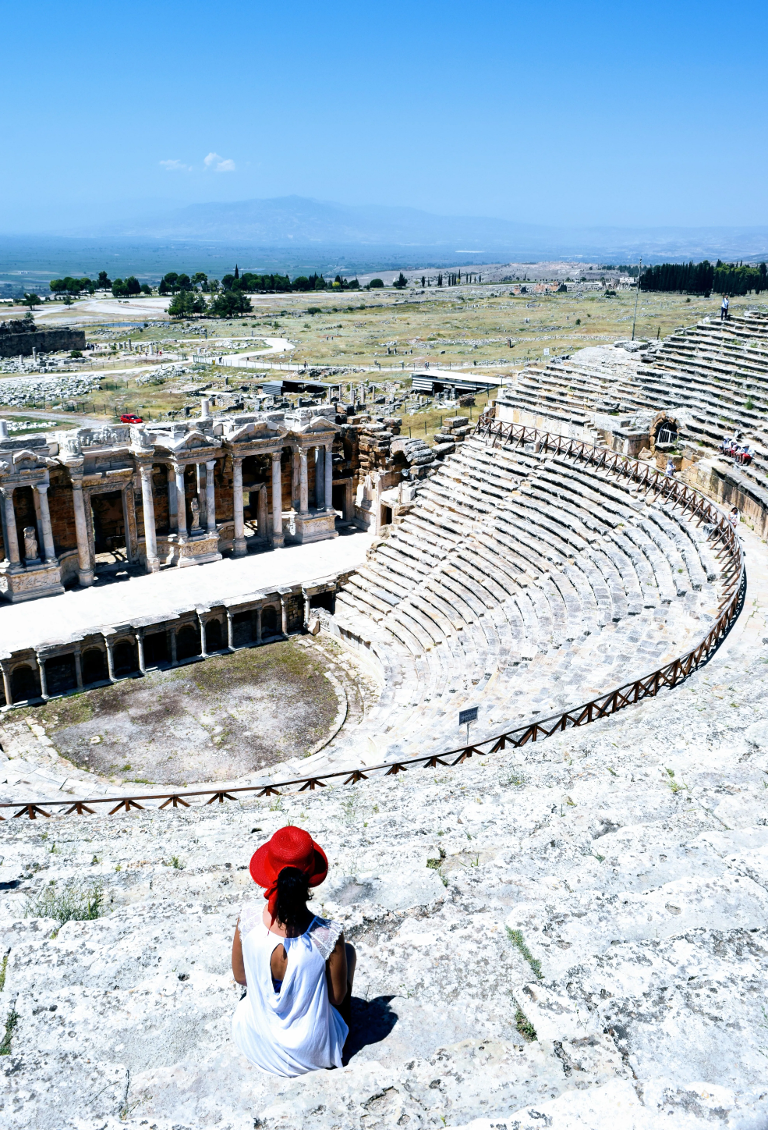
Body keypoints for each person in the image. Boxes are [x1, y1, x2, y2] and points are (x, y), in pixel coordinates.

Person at [231, 826, 356, 1077]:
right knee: (349, 952)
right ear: (309, 879)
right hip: (312, 1053)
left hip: (259, 1042)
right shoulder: (328, 934)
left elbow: (241, 978)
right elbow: (337, 998)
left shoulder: (248, 920)